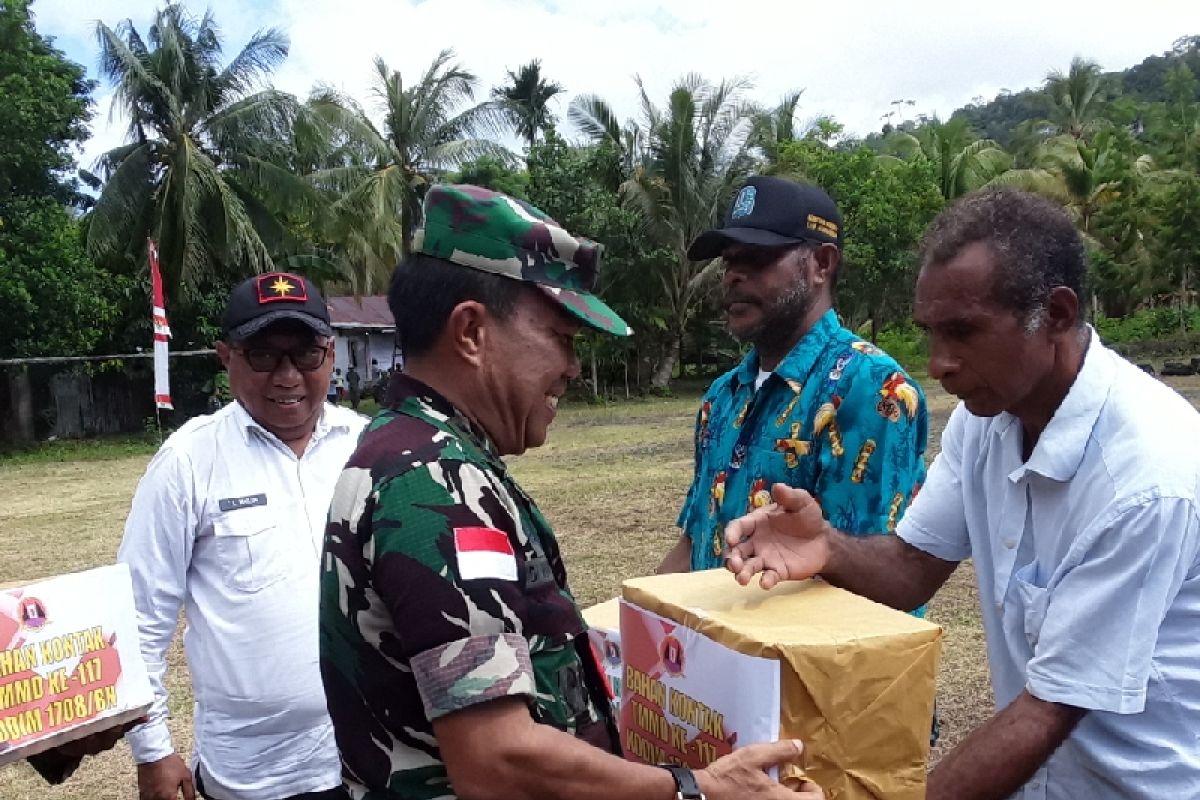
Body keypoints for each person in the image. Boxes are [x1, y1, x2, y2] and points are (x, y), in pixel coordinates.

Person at [319, 184, 822, 800]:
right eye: (562, 338)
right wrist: (693, 789)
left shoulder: (403, 448)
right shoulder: (436, 484)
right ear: (472, 331)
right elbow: (496, 759)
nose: (573, 369)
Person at [724, 187, 1200, 800]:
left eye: (963, 332)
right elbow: (912, 568)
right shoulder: (988, 418)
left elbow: (1048, 711)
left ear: (1055, 314)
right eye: (929, 332)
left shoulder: (1144, 479)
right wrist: (828, 547)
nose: (938, 363)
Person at [118, 272, 368, 800]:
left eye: (305, 354)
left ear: (331, 354)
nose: (287, 376)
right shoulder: (188, 462)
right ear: (225, 357)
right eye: (262, 356)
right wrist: (153, 751)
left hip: (373, 757)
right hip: (252, 777)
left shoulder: (368, 447)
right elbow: (140, 618)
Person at [659, 176, 928, 579]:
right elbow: (695, 541)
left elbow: (881, 581)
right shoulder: (722, 397)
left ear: (822, 264)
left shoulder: (872, 389)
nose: (733, 275)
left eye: (757, 257)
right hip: (710, 641)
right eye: (730, 260)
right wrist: (627, 623)